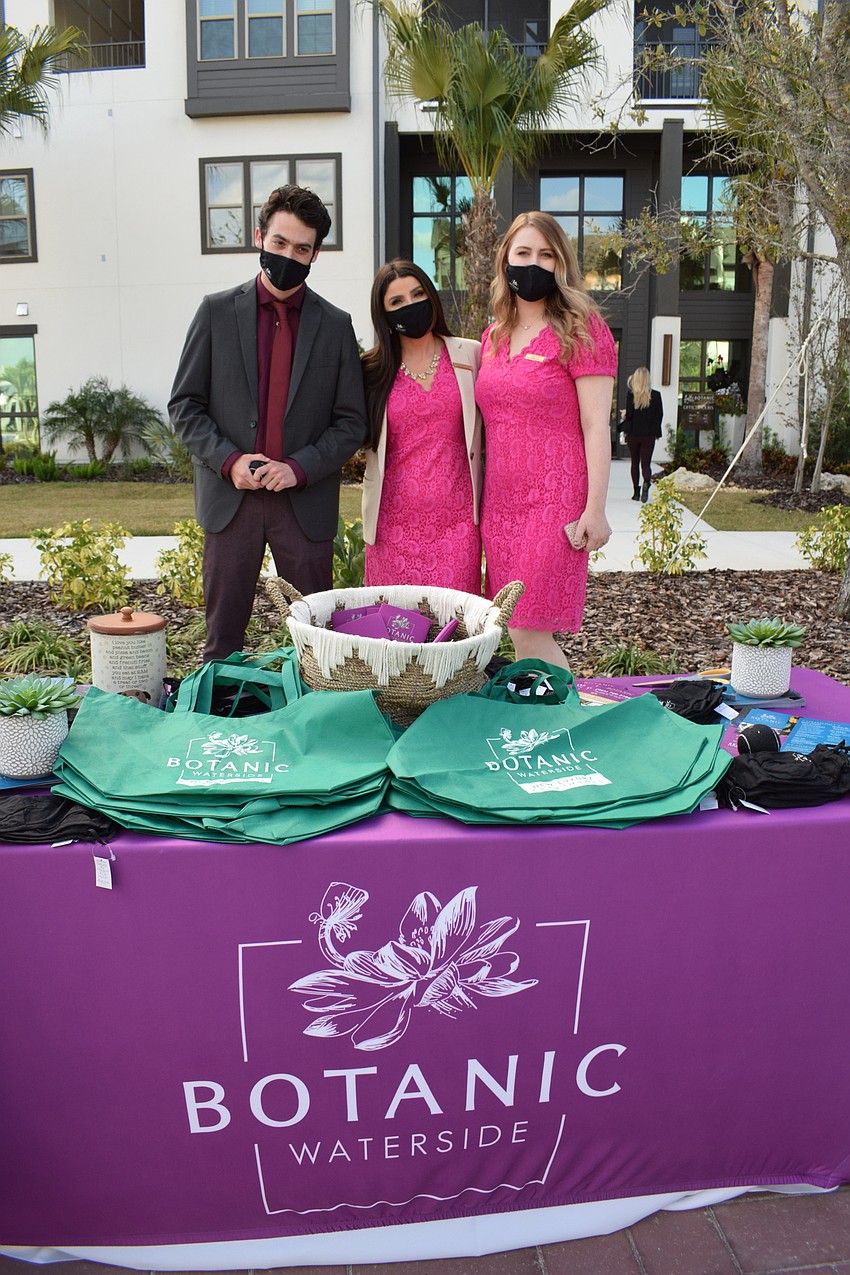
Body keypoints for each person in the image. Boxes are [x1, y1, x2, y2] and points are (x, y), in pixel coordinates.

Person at [168, 184, 367, 661]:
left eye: (302, 248)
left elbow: (350, 422)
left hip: (304, 503)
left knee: (317, 642)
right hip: (230, 500)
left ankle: (318, 722)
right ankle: (218, 725)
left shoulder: (336, 325)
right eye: (279, 243)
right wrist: (229, 460)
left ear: (316, 254)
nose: (288, 256)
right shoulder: (215, 313)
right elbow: (185, 406)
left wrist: (298, 468)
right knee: (222, 639)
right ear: (259, 237)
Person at [475, 211, 617, 669]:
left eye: (545, 255)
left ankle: (567, 724)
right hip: (499, 508)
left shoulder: (582, 329)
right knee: (514, 628)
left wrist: (594, 508)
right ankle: (542, 719)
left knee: (527, 625)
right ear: (505, 261)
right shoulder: (493, 337)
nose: (532, 264)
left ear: (561, 264)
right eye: (523, 253)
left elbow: (598, 425)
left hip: (554, 502)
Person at [361, 260, 482, 593]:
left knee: (454, 636)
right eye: (397, 302)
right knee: (395, 636)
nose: (410, 305)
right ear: (384, 315)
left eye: (417, 294)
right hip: (391, 528)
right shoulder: (370, 371)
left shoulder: (470, 356)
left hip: (458, 528)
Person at [623, 366, 663, 503]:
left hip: (633, 434)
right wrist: (655, 432)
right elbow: (659, 416)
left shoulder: (631, 395)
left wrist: (624, 416)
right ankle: (646, 482)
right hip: (649, 435)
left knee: (634, 462)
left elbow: (630, 415)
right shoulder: (656, 396)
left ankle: (636, 492)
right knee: (646, 464)